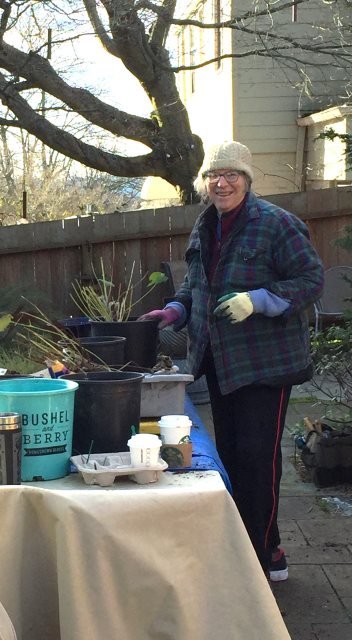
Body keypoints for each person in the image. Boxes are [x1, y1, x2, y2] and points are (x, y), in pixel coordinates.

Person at [141, 140, 324, 582]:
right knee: (232, 458)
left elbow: (311, 280)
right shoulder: (205, 225)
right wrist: (175, 310)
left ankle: (263, 559)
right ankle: (257, 546)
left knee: (259, 460)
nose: (221, 183)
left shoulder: (278, 225)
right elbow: (195, 289)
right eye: (213, 176)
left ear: (247, 180)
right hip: (220, 363)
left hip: (265, 365)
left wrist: (260, 300)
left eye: (231, 175)